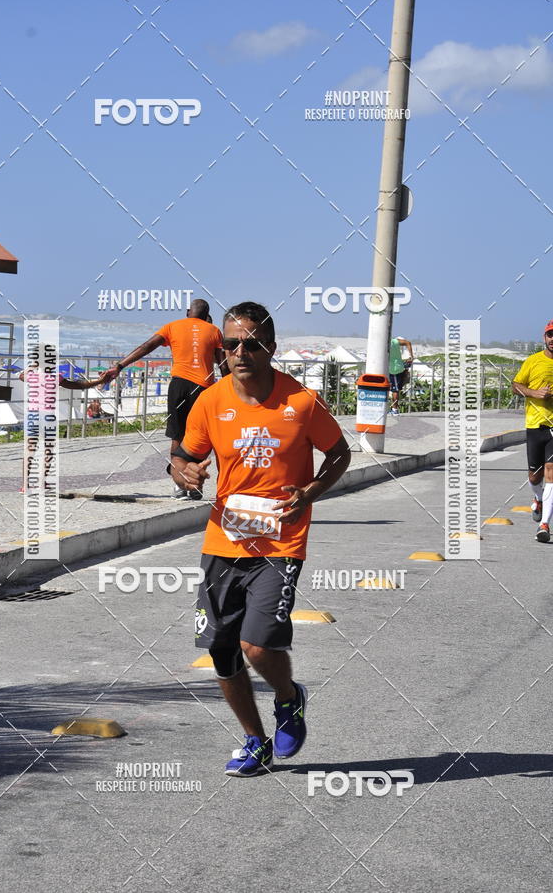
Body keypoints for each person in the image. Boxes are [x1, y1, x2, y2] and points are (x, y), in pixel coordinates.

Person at [171, 301, 351, 776]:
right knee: (221, 651)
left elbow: (339, 454)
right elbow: (182, 457)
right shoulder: (209, 402)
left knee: (256, 646)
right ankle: (254, 741)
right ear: (222, 350)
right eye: (231, 344)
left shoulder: (302, 402)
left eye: (251, 343)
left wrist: (311, 490)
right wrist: (184, 472)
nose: (240, 351)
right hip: (223, 540)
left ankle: (289, 698)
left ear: (271, 347)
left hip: (280, 542)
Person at [99, 299, 228, 500]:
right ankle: (193, 484)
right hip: (203, 390)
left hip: (178, 386)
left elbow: (146, 346)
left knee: (177, 436)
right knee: (202, 436)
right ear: (207, 315)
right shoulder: (214, 331)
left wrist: (119, 366)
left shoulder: (172, 326)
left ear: (188, 312)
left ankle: (179, 485)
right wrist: (231, 391)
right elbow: (223, 364)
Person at [19, 368, 102, 492]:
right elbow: (79, 385)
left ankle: (25, 485)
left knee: (30, 449)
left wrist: (32, 367)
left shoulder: (31, 376)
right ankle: (42, 483)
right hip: (48, 416)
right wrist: (98, 381)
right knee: (48, 449)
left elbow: (21, 376)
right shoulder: (56, 377)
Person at [512, 319, 553, 542]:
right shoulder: (533, 361)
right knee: (534, 476)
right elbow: (515, 385)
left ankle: (545, 524)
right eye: (550, 335)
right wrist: (533, 393)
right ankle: (537, 499)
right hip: (535, 426)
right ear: (545, 337)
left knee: (551, 474)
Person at [389, 336, 414, 415]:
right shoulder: (395, 341)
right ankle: (394, 409)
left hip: (394, 369)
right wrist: (411, 356)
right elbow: (408, 342)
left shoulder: (388, 343)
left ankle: (395, 410)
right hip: (398, 367)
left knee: (395, 390)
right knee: (395, 390)